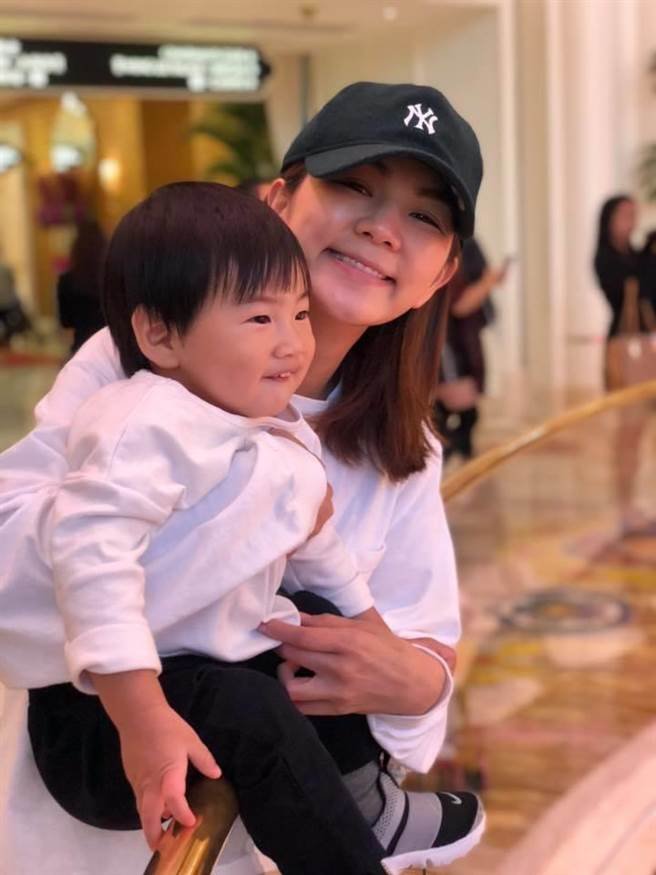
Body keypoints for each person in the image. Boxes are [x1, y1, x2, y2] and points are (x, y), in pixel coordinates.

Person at [0, 81, 485, 874]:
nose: (382, 227)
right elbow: (14, 589)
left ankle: (373, 814)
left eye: (424, 216)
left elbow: (418, 643)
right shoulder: (139, 372)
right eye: (353, 185)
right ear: (279, 200)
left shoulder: (404, 444)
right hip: (105, 826)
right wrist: (246, 522)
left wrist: (418, 681)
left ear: (442, 274)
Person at [593, 194, 655, 534]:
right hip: (626, 346)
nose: (631, 221)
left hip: (646, 346)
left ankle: (633, 505)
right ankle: (625, 507)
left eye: (634, 214)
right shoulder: (607, 258)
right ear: (609, 219)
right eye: (624, 215)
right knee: (629, 432)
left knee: (639, 432)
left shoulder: (637, 254)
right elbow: (625, 291)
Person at [434, 239, 510, 460]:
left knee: (465, 414)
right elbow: (459, 304)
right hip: (449, 344)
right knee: (455, 410)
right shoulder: (450, 247)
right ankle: (447, 459)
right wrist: (489, 281)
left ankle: (457, 458)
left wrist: (489, 281)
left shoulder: (468, 244)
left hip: (463, 340)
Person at [56, 219, 107, 356]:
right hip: (110, 345)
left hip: (81, 345)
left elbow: (66, 322)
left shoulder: (66, 280)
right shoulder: (112, 277)